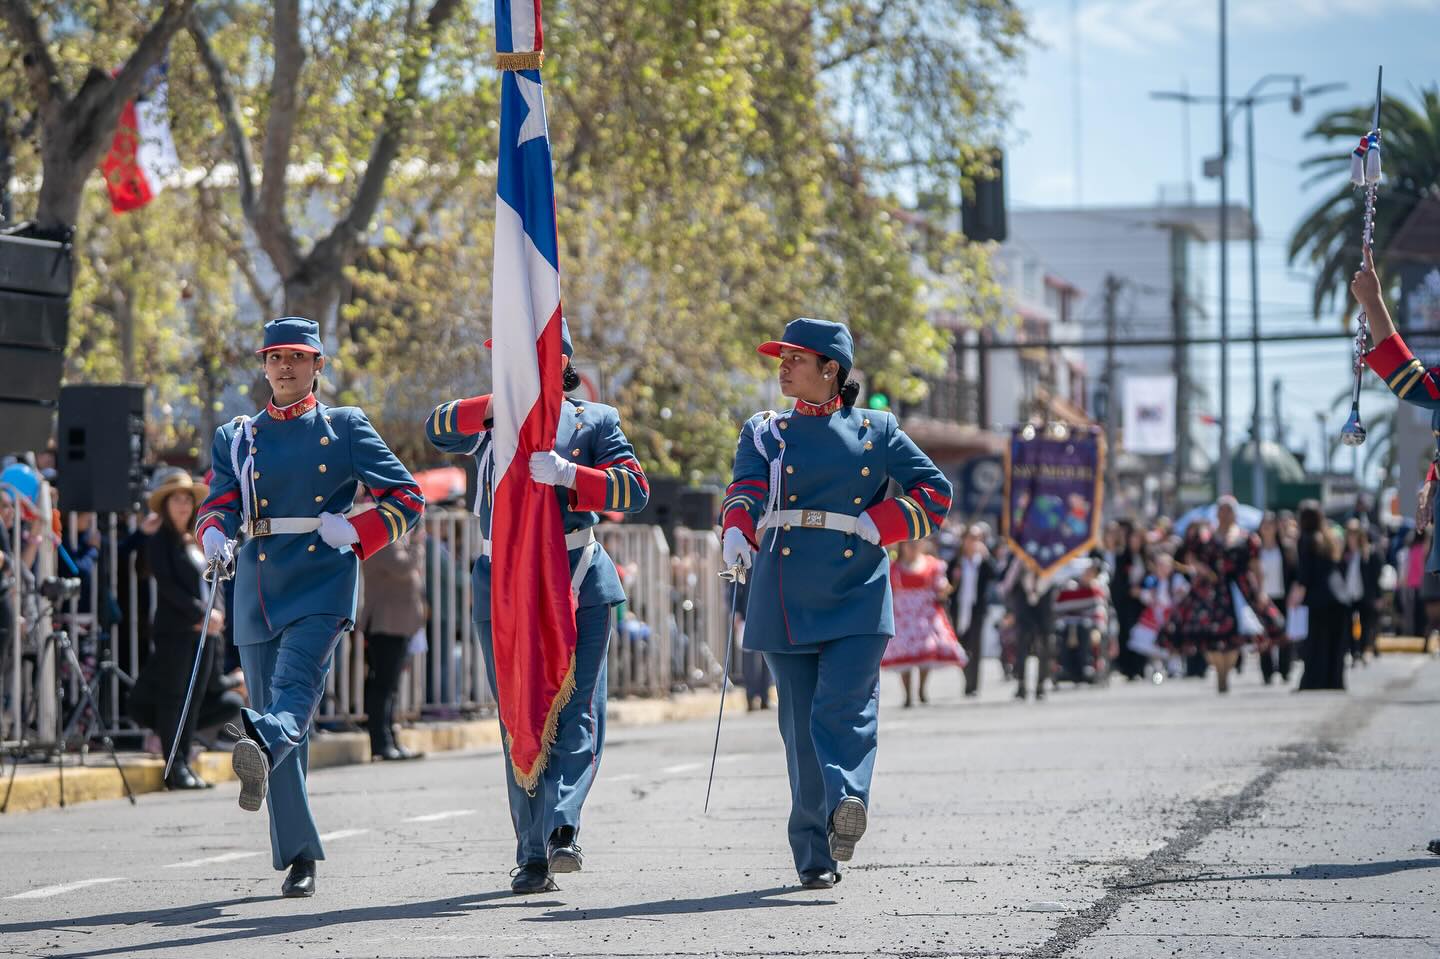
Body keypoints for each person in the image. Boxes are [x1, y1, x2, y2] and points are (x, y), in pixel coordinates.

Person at [195, 317, 424, 898]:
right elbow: (219, 501)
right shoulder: (237, 435)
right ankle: (299, 854)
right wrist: (215, 535)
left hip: (323, 575)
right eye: (275, 357)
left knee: (293, 694)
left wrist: (356, 529)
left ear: (319, 364)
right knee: (277, 723)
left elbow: (408, 497)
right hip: (258, 581)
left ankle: (264, 748)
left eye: (298, 357)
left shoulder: (344, 427)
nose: (285, 367)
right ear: (264, 364)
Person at [721, 317, 951, 890]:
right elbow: (746, 486)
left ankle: (846, 802)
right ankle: (815, 852)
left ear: (832, 370)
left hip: (857, 589)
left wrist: (885, 522)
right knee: (800, 729)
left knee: (844, 709)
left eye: (796, 358)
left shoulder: (878, 428)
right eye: (782, 356)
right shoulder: (765, 430)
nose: (783, 366)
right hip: (784, 588)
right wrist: (736, 528)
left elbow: (935, 491)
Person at [425, 321, 649, 895]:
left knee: (576, 710)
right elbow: (438, 428)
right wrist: (502, 403)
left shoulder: (594, 419)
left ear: (559, 362)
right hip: (502, 577)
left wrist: (572, 476)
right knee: (517, 715)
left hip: (575, 577)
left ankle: (563, 827)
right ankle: (530, 853)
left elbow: (634, 490)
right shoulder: (491, 420)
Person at [127, 470, 220, 790]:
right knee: (174, 698)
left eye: (186, 500)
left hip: (204, 633)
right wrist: (200, 612)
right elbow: (168, 586)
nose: (182, 505)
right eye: (176, 500)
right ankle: (174, 765)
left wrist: (213, 615)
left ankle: (185, 762)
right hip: (178, 632)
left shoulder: (194, 541)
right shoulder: (160, 541)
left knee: (193, 699)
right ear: (165, 506)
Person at [358, 520, 427, 762]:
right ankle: (381, 742)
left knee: (390, 688)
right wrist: (418, 544)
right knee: (383, 687)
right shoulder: (383, 539)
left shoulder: (394, 539)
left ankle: (389, 740)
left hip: (397, 625)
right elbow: (403, 566)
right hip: (384, 624)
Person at [882, 539, 966, 707]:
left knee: (926, 650)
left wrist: (952, 582)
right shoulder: (893, 568)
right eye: (909, 544)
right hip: (903, 617)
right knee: (904, 654)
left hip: (925, 616)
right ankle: (907, 694)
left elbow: (941, 590)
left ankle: (921, 689)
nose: (913, 547)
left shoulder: (933, 565)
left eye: (916, 543)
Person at [1293, 502, 1347, 691]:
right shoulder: (1329, 538)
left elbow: (1305, 573)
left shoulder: (1306, 539)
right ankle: (1333, 681)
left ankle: (1314, 681)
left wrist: (1297, 595)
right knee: (1334, 642)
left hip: (1319, 598)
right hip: (1339, 596)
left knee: (1316, 642)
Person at [948, 524, 995, 697]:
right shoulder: (956, 562)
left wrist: (987, 556)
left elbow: (995, 575)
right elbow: (948, 584)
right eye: (970, 538)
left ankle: (973, 685)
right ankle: (967, 679)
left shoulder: (982, 562)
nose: (973, 542)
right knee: (962, 646)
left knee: (976, 647)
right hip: (959, 609)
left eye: (977, 539)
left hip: (976, 609)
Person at [1002, 559, 1057, 701]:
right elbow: (1007, 583)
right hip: (1024, 600)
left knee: (1044, 644)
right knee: (1022, 644)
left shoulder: (1049, 553)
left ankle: (1041, 684)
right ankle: (1021, 684)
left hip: (1044, 599)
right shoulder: (1019, 556)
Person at [1256, 512, 1298, 686]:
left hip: (1282, 596)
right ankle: (1267, 672)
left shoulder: (1286, 548)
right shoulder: (1255, 550)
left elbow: (1295, 573)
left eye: (1270, 524)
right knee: (1264, 637)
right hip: (1262, 597)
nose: (1267, 528)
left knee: (1284, 636)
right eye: (1264, 524)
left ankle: (1285, 670)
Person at [1342, 519, 1383, 664]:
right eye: (1349, 533)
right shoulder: (1343, 554)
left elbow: (1375, 577)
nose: (1352, 536)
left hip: (1364, 594)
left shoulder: (1368, 552)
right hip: (1347, 595)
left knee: (1366, 623)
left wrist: (1378, 596)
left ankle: (1366, 649)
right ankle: (1353, 651)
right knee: (1348, 624)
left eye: (1355, 533)